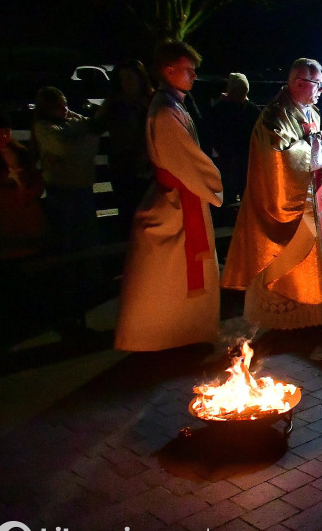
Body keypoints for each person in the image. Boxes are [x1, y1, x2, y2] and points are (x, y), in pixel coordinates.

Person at [222, 59, 322, 330]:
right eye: (318, 84)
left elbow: (321, 148)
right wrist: (314, 146)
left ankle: (307, 313)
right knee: (283, 260)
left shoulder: (313, 113)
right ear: (298, 83)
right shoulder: (274, 115)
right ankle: (277, 322)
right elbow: (276, 157)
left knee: (308, 257)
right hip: (284, 203)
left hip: (310, 202)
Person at [115, 41, 223, 352]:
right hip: (175, 200)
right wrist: (213, 179)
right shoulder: (165, 112)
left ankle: (182, 331)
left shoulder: (171, 105)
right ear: (169, 70)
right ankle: (162, 335)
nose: (194, 77)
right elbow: (186, 158)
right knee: (167, 276)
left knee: (172, 274)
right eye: (189, 71)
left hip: (179, 195)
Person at [32, 86, 101, 253]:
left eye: (65, 105)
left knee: (87, 237)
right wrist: (83, 139)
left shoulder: (71, 121)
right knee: (66, 237)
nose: (65, 110)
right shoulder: (43, 128)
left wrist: (75, 134)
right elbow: (65, 148)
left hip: (83, 186)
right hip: (61, 188)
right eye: (59, 107)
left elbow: (91, 129)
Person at [95, 59, 154, 238]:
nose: (127, 83)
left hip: (148, 167)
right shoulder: (115, 104)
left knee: (149, 214)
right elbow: (96, 126)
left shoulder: (152, 102)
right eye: (123, 79)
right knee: (128, 215)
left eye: (130, 78)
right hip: (124, 167)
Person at [0, 103, 47, 260]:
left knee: (36, 257)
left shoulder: (20, 152)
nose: (3, 136)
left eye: (6, 131)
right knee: (15, 259)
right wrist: (11, 195)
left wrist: (33, 191)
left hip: (30, 216)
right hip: (6, 219)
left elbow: (36, 178)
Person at [207, 72, 261, 204]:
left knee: (243, 187)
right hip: (228, 156)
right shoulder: (222, 109)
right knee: (228, 187)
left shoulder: (252, 110)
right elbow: (214, 132)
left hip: (244, 157)